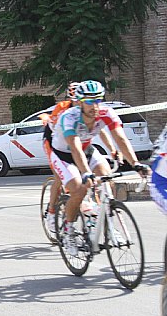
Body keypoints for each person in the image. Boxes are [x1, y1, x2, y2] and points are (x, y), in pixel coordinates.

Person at [50, 80, 150, 256]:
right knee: (78, 189)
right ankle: (68, 230)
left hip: (87, 149)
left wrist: (136, 164)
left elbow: (121, 139)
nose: (94, 106)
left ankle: (108, 225)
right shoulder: (69, 117)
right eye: (89, 101)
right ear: (79, 102)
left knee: (107, 178)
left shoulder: (106, 113)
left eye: (98, 100)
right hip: (63, 154)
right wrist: (86, 173)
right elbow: (74, 148)